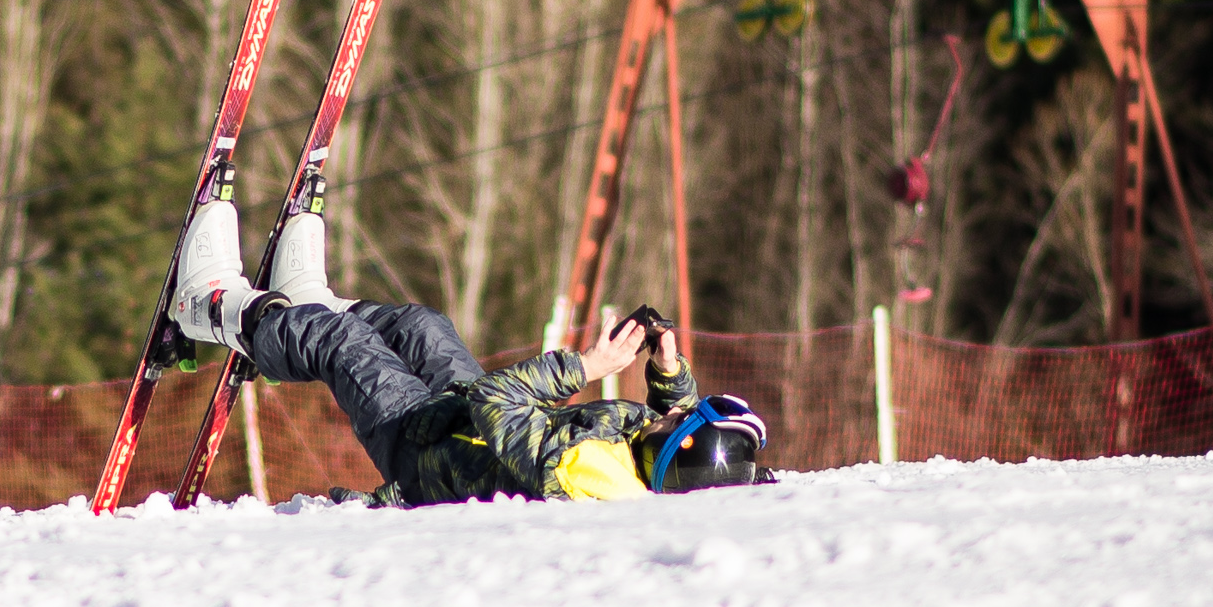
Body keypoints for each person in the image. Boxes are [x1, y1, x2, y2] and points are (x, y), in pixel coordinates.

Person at [168, 196, 770, 507]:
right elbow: (692, 455)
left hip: (421, 452)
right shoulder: (651, 462)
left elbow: (495, 399)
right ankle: (306, 303)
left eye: (673, 419)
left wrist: (588, 368)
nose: (665, 412)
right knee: (424, 325)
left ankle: (213, 307)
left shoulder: (581, 473)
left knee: (345, 345)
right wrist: (667, 372)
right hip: (456, 427)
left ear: (671, 446)